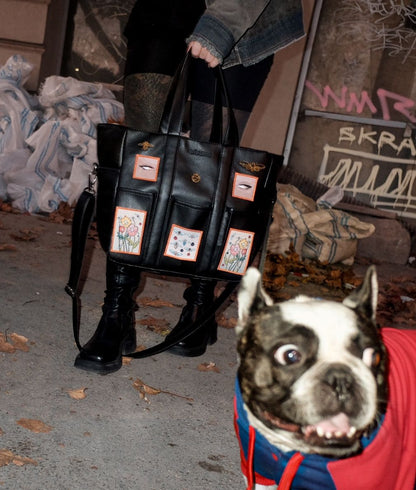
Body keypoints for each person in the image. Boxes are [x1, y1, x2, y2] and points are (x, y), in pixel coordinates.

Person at [74, 0, 305, 374]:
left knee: (214, 168)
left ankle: (198, 308)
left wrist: (224, 22)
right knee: (138, 168)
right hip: (162, 14)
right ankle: (117, 314)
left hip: (241, 19)